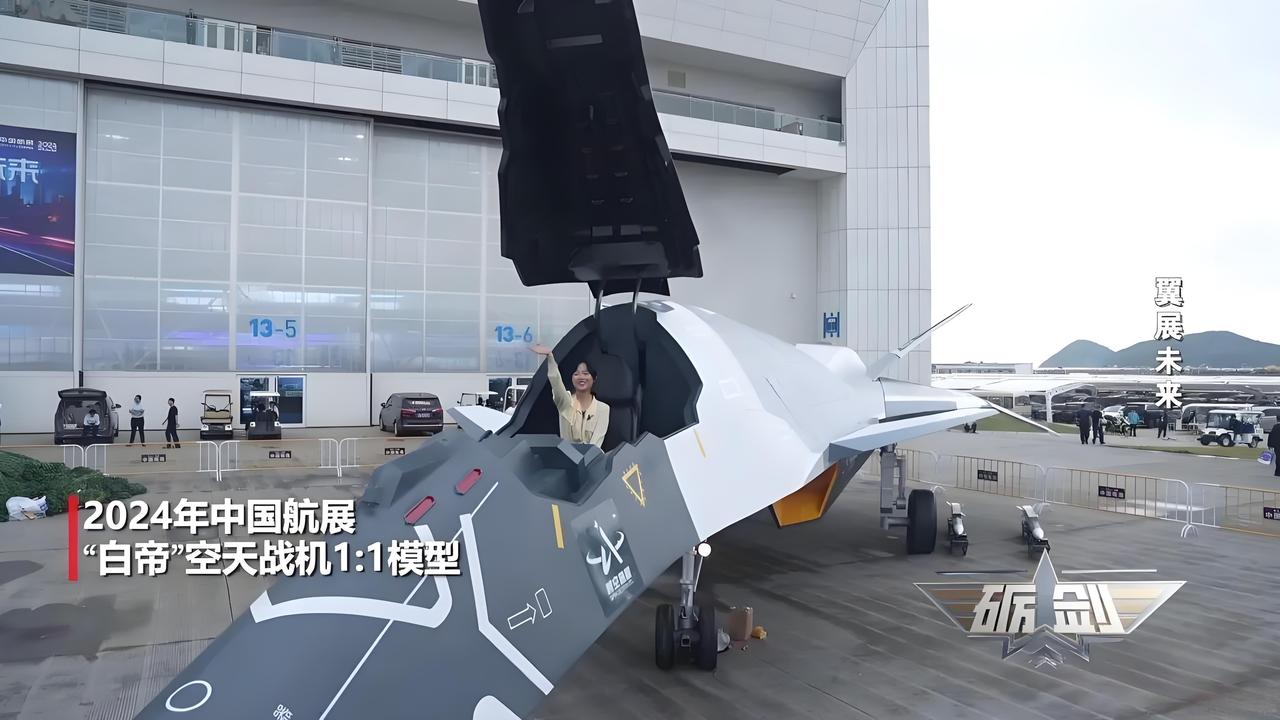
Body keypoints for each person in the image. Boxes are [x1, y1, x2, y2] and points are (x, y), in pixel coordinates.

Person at [530, 343, 610, 448]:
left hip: (593, 457)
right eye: (576, 374)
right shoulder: (565, 403)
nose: (581, 377)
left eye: (586, 374)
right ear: (572, 378)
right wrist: (550, 357)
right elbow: (556, 382)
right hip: (566, 456)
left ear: (594, 378)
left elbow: (596, 444)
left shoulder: (603, 409)